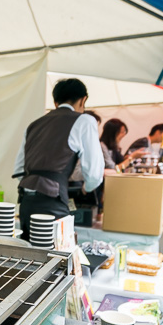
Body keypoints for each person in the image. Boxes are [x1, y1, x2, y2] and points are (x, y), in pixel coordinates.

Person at [13, 78, 104, 240]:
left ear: (55, 102)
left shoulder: (34, 125)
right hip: (53, 202)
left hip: (26, 203)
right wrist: (87, 188)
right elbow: (94, 174)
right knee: (56, 260)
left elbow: (19, 170)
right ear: (83, 100)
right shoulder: (85, 120)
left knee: (28, 258)